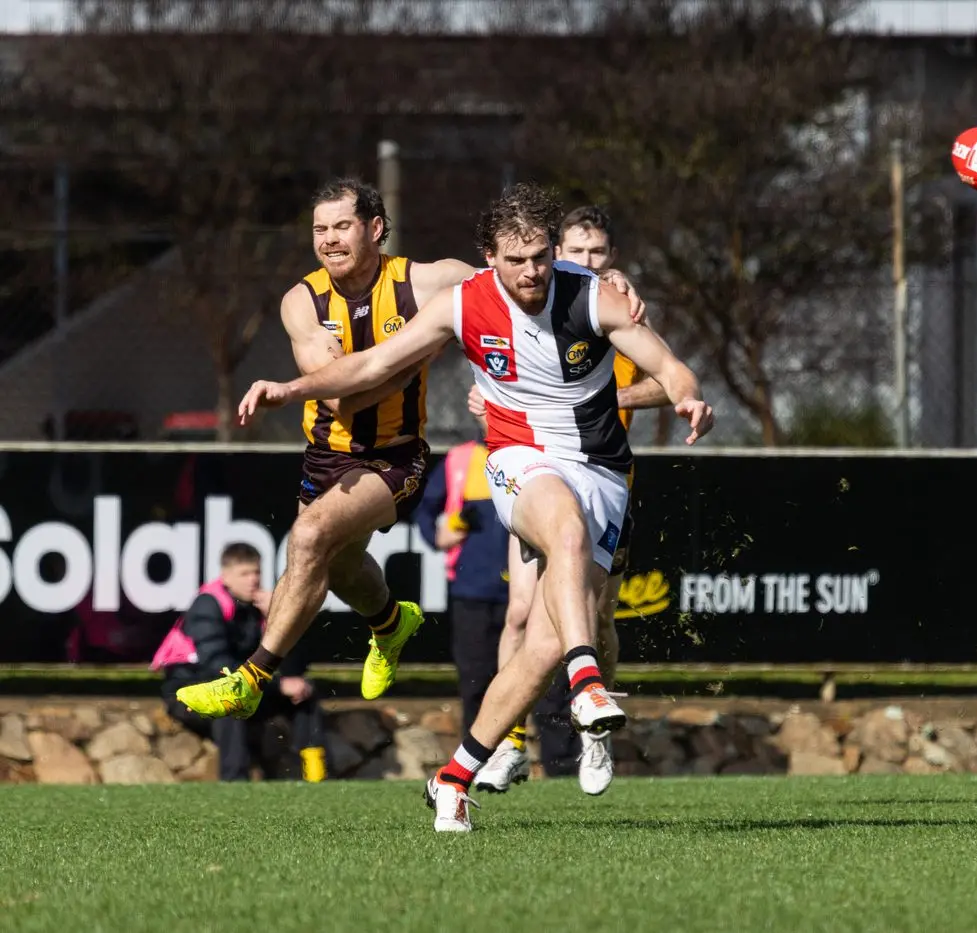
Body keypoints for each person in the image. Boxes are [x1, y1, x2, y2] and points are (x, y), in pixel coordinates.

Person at [235, 182, 714, 832]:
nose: (531, 272)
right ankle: (588, 682)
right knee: (561, 535)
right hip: (521, 460)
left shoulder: (594, 295)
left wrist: (687, 397)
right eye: (515, 260)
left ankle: (454, 775)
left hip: (602, 469)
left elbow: (671, 367)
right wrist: (290, 388)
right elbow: (369, 365)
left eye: (541, 256)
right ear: (489, 256)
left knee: (541, 641)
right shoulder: (461, 305)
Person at [174, 179, 648, 724]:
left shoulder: (429, 282)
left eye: (341, 226)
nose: (328, 239)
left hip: (396, 457)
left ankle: (252, 678)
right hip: (326, 453)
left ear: (375, 228)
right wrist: (413, 356)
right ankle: (389, 622)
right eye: (319, 229)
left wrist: (605, 282)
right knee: (340, 562)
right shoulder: (301, 302)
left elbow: (526, 281)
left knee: (307, 539)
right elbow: (339, 391)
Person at [473, 205, 672, 797]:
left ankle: (595, 732)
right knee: (519, 614)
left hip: (604, 481)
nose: (587, 262)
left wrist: (609, 400)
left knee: (597, 617)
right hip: (537, 474)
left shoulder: (614, 306)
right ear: (553, 250)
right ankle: (508, 746)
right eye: (577, 251)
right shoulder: (519, 301)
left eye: (598, 252)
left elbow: (669, 379)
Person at [154, 543, 327, 782]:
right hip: (188, 693)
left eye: (257, 572)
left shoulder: (257, 608)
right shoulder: (207, 605)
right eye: (244, 574)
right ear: (225, 577)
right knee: (228, 703)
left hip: (242, 684)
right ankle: (235, 783)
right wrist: (278, 686)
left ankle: (316, 775)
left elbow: (292, 671)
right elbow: (219, 669)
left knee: (305, 692)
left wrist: (277, 619)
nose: (253, 580)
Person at [411, 425, 512, 745]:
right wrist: (437, 535)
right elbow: (423, 506)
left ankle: (558, 767)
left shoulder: (531, 450)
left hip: (527, 592)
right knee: (475, 680)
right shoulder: (461, 460)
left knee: (538, 682)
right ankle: (475, 758)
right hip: (472, 591)